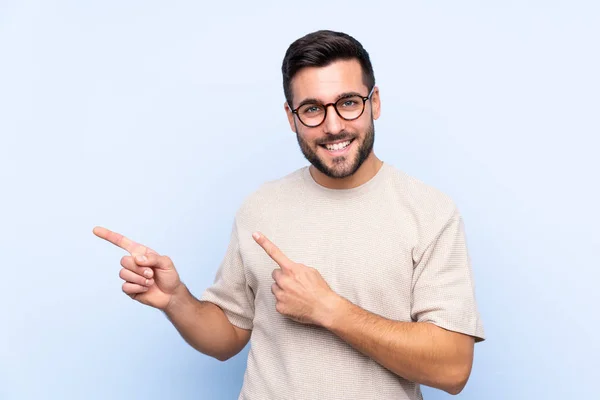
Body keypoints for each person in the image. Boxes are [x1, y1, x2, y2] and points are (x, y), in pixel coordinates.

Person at [93, 30, 485, 400]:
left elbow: (452, 369)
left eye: (349, 103)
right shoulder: (260, 207)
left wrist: (329, 309)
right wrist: (175, 300)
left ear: (375, 102)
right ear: (290, 116)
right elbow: (228, 335)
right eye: (312, 109)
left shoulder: (430, 212)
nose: (333, 126)